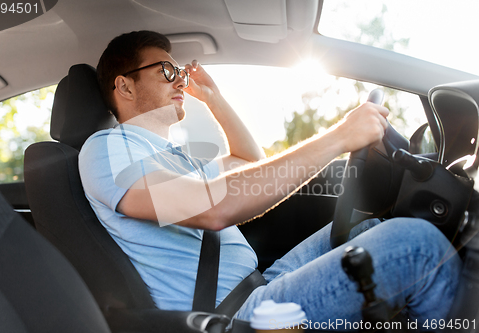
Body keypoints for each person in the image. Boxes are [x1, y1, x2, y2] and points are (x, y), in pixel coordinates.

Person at [79, 30, 461, 328]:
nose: (179, 80)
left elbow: (250, 162)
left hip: (257, 283)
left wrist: (213, 98)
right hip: (229, 316)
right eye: (166, 71)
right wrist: (341, 136)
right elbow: (214, 209)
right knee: (416, 246)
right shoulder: (107, 149)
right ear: (124, 86)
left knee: (370, 227)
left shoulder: (174, 158)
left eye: (178, 71)